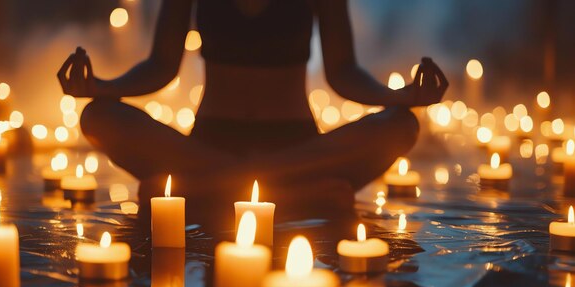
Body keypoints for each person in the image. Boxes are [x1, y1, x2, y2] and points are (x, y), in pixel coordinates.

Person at [57, 0, 447, 224]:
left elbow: (343, 72)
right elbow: (161, 65)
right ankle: (291, 193)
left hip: (294, 146)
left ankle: (206, 190)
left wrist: (401, 96)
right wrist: (101, 89)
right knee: (98, 116)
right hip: (215, 143)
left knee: (400, 126)